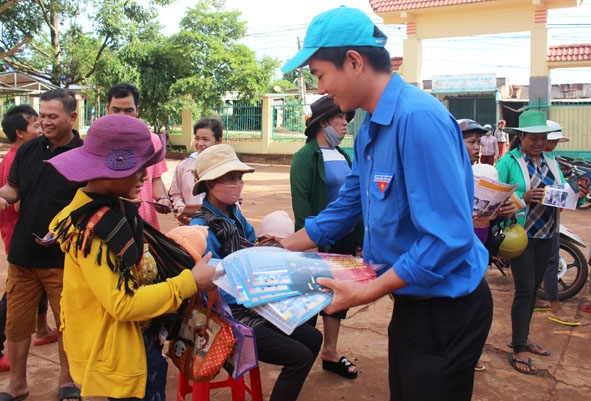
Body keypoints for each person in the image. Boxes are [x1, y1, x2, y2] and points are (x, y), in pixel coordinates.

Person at [280, 7, 492, 400]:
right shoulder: (370, 131)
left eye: (320, 74)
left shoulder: (418, 119)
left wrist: (366, 291)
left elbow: (448, 238)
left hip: (447, 311)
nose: (322, 89)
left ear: (354, 62)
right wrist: (280, 250)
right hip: (413, 303)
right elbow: (347, 207)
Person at [47, 114, 217, 400]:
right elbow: (123, 304)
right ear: (106, 170)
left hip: (118, 341)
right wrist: (189, 282)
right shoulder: (98, 229)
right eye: (137, 169)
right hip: (119, 348)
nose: (144, 177)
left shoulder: (96, 211)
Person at [189, 144, 322, 401]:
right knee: (300, 356)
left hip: (253, 303)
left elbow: (250, 248)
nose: (238, 184)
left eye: (239, 177)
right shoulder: (201, 227)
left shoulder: (235, 215)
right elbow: (213, 278)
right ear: (210, 184)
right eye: (230, 178)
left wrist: (268, 247)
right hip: (228, 316)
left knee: (313, 338)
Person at [0, 89, 83, 401]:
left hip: (65, 258)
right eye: (42, 116)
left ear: (72, 117)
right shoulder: (28, 150)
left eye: (52, 116)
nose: (45, 122)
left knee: (68, 324)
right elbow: (13, 189)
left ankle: (67, 381)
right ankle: (17, 385)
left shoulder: (84, 155)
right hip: (22, 255)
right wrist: (1, 197)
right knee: (16, 324)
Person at [495, 110, 587, 375]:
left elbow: (565, 196)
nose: (538, 142)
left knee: (534, 292)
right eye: (533, 138)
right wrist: (524, 197)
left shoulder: (551, 160)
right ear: (521, 136)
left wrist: (577, 194)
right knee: (525, 292)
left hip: (548, 234)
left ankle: (521, 338)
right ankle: (518, 348)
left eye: (542, 137)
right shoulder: (508, 163)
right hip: (521, 237)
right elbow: (494, 200)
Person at [290, 95, 360, 379]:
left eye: (346, 119)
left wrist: (359, 239)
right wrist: (309, 244)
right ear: (323, 121)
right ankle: (301, 354)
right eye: (341, 117)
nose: (345, 124)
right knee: (310, 299)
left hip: (342, 241)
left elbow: (355, 203)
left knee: (337, 299)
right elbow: (302, 207)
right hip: (316, 241)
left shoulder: (344, 155)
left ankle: (330, 352)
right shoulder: (305, 157)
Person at [0, 105, 57, 372]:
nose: (43, 124)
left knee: (48, 297)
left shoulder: (75, 152)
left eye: (49, 118)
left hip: (49, 248)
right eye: (38, 121)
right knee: (14, 305)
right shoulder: (21, 155)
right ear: (20, 133)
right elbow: (17, 196)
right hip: (22, 242)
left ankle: (44, 330)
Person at [458, 118, 519, 372]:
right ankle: (461, 354)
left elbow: (516, 205)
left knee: (473, 308)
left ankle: (468, 354)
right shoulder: (449, 175)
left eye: (478, 142)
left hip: (479, 250)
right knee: (461, 307)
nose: (477, 147)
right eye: (471, 142)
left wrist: (505, 207)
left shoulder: (481, 172)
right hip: (458, 255)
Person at [534, 122, 581, 326]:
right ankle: (547, 303)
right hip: (525, 224)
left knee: (550, 261)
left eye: (551, 141)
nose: (550, 145)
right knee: (532, 265)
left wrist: (576, 193)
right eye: (549, 141)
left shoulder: (552, 162)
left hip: (550, 222)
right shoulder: (513, 161)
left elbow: (563, 190)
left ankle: (553, 304)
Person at [106, 83, 171, 230]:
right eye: (116, 110)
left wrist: (162, 198)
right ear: (107, 109)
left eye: (128, 110)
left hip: (146, 226)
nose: (122, 116)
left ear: (137, 111)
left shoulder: (153, 141)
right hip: (111, 226)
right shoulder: (99, 143)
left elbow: (155, 178)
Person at [169, 117, 223, 225]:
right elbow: (175, 194)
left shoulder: (225, 167)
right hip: (189, 226)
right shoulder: (184, 166)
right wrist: (180, 208)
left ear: (218, 141)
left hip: (219, 226)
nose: (200, 143)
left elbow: (235, 198)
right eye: (197, 138)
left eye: (205, 139)